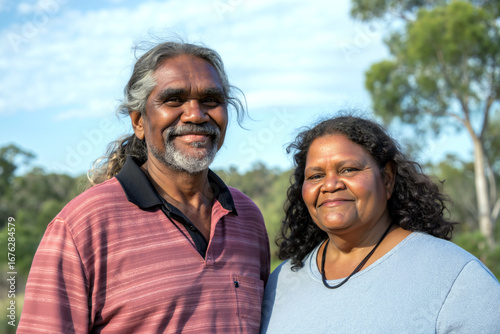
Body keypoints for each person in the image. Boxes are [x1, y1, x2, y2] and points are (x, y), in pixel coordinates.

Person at [18, 40, 270, 333]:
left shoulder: (247, 218)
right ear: (139, 121)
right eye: (174, 100)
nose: (195, 114)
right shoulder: (82, 224)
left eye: (210, 100)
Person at [260, 115, 500, 333]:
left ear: (387, 179)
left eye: (349, 169)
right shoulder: (281, 281)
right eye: (316, 176)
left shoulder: (458, 278)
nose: (330, 185)